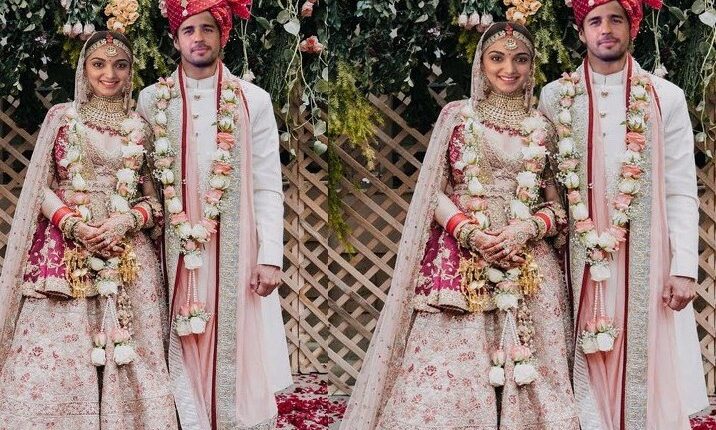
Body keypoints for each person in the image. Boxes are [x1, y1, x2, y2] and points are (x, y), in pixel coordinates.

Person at [341, 22, 579, 430]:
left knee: (534, 366)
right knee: (453, 371)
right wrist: (473, 234)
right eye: (497, 58)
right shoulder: (457, 116)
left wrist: (524, 230)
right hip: (462, 256)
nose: (509, 69)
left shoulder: (544, 127)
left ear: (532, 65)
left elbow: (558, 207)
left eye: (520, 59)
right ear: (481, 64)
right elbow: (431, 193)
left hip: (527, 261)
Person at [538, 0, 709, 428]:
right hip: (576, 257)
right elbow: (543, 181)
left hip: (647, 260)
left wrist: (684, 268)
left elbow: (681, 188)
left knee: (646, 357)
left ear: (633, 26)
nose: (606, 29)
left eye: (616, 19)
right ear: (581, 31)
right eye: (595, 21)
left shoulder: (665, 97)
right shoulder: (555, 97)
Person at [0, 31, 177, 429]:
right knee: (60, 344)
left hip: (126, 253)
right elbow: (39, 186)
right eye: (99, 64)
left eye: (120, 65)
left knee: (133, 346)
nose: (109, 74)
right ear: (84, 69)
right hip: (67, 249)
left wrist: (125, 221)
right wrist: (73, 224)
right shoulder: (62, 117)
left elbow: (155, 201)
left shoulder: (141, 127)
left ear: (130, 72)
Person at [136, 0, 291, 428]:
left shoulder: (253, 100)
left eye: (207, 29)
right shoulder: (151, 100)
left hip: (235, 248)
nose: (198, 39)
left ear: (224, 35)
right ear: (175, 39)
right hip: (170, 247)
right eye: (189, 30)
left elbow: (267, 183)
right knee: (175, 333)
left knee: (233, 334)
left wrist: (270, 257)